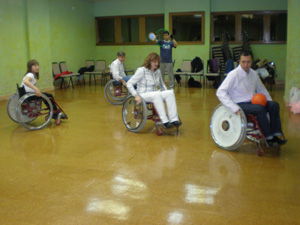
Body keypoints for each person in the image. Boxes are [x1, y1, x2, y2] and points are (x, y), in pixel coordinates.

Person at [216, 50, 287, 147]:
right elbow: (220, 92)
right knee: (260, 109)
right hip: (240, 104)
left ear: (252, 61)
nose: (246, 65)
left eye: (248, 62)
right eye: (243, 62)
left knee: (274, 105)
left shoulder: (254, 73)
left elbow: (262, 90)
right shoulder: (233, 74)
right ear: (239, 61)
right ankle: (269, 138)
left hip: (253, 102)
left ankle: (275, 134)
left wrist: (269, 103)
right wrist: (234, 108)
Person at [126, 52, 181, 128]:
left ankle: (174, 119)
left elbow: (162, 85)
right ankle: (164, 121)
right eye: (154, 61)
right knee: (156, 94)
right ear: (149, 61)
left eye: (157, 62)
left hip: (154, 94)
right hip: (143, 94)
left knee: (170, 92)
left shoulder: (157, 72)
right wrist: (136, 95)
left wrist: (165, 94)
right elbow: (129, 83)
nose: (156, 63)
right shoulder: (142, 70)